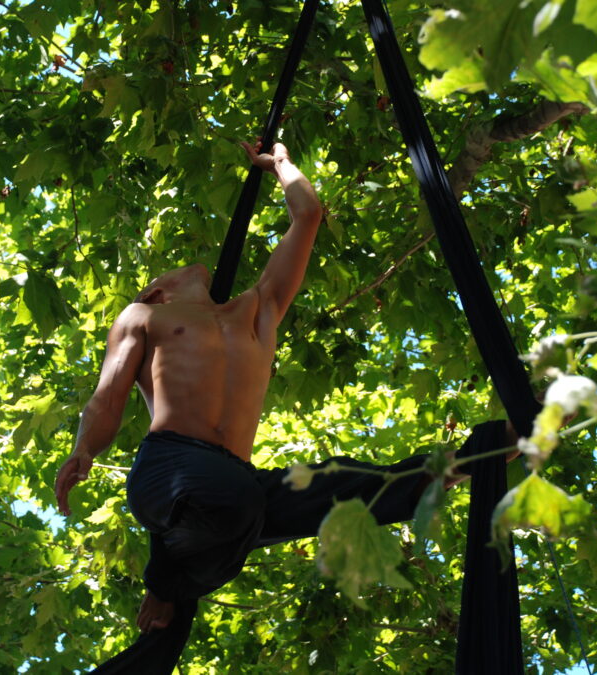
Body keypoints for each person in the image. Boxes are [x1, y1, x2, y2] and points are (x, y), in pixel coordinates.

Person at [53, 140, 516, 674]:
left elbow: (309, 215)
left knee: (353, 488)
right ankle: (168, 585)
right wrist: (84, 448)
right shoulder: (144, 315)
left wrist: (280, 164)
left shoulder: (259, 309)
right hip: (172, 468)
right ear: (158, 292)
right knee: (230, 501)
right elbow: (107, 396)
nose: (186, 265)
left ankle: (472, 458)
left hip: (238, 487)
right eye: (171, 270)